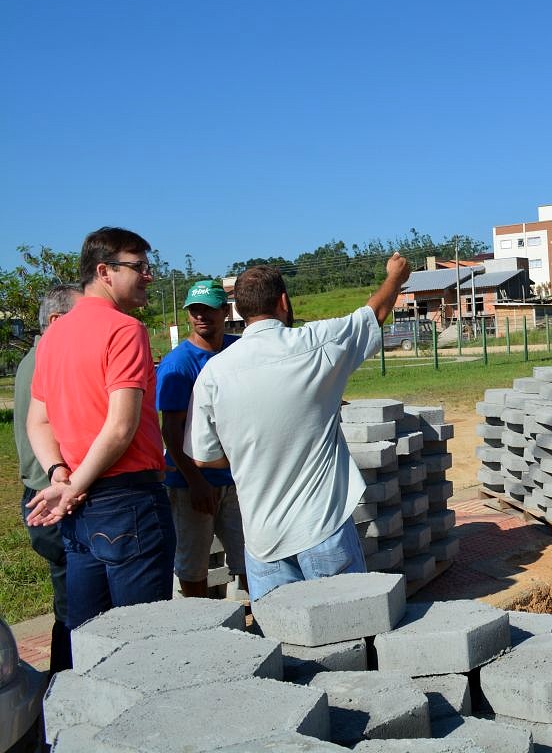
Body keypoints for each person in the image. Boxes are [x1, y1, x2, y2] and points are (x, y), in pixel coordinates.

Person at [185, 253, 410, 600]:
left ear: (238, 311)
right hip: (322, 529)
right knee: (349, 629)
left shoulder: (213, 374)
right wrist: (395, 277)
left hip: (261, 541)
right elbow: (374, 315)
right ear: (284, 302)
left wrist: (252, 455)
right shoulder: (315, 344)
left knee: (284, 643)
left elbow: (203, 458)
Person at [25, 227, 176, 629]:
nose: (149, 275)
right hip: (127, 501)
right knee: (143, 638)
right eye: (139, 266)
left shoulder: (55, 334)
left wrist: (61, 476)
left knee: (89, 636)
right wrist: (71, 487)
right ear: (104, 271)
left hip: (80, 508)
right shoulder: (125, 330)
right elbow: (120, 427)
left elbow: (37, 421)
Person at [156, 279, 248, 598]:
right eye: (194, 310)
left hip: (235, 477)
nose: (200, 316)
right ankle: (201, 624)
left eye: (208, 309)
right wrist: (195, 481)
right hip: (192, 482)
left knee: (251, 555)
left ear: (225, 311)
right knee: (193, 563)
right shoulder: (178, 365)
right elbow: (171, 430)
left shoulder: (240, 349)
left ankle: (264, 617)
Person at [13, 284, 82, 672]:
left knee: (67, 599)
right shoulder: (49, 361)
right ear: (56, 321)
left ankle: (62, 680)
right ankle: (65, 683)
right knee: (73, 604)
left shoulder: (33, 358)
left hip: (42, 495)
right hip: (54, 499)